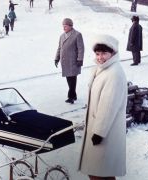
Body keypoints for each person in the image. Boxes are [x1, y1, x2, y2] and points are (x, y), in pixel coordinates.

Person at [78, 34, 127, 180]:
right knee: (99, 171)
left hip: (104, 133)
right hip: (98, 130)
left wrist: (99, 132)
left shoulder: (114, 73)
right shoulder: (101, 69)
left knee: (98, 172)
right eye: (98, 53)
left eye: (104, 53)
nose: (100, 57)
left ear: (113, 53)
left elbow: (108, 105)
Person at [54, 18, 84, 104]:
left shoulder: (77, 35)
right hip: (65, 62)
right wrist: (56, 58)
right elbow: (59, 48)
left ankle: (71, 97)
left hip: (73, 61)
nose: (64, 28)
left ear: (71, 26)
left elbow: (81, 48)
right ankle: (73, 95)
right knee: (68, 78)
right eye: (63, 26)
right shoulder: (62, 36)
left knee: (72, 79)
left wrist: (80, 59)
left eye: (65, 26)